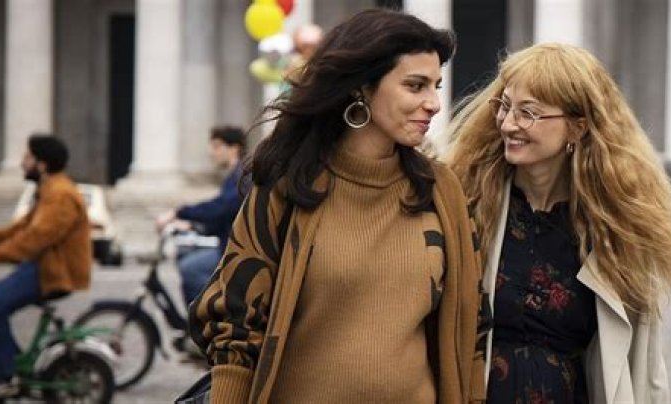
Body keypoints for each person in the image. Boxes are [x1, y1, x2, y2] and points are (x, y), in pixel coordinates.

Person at [188, 9, 487, 404]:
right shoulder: (284, 186)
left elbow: (472, 326)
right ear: (361, 86)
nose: (433, 103)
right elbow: (236, 323)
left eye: (436, 86)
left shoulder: (442, 191)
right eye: (415, 86)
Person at [444, 42, 671, 403]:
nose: (508, 123)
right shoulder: (470, 203)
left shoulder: (617, 230)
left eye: (528, 113)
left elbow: (646, 369)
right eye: (505, 106)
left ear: (577, 128)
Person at [0, 134, 92, 401]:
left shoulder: (60, 195)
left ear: (42, 164)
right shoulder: (49, 189)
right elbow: (17, 230)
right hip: (40, 267)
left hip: (53, 273)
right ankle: (7, 362)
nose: (21, 163)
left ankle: (3, 377)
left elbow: (35, 238)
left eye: (27, 157)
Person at [156, 126, 247, 306]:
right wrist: (192, 226)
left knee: (190, 269)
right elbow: (224, 217)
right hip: (228, 245)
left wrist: (179, 212)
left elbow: (221, 207)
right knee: (186, 257)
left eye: (217, 146)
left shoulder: (241, 175)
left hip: (235, 252)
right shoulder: (235, 175)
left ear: (234, 148)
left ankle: (215, 312)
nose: (211, 152)